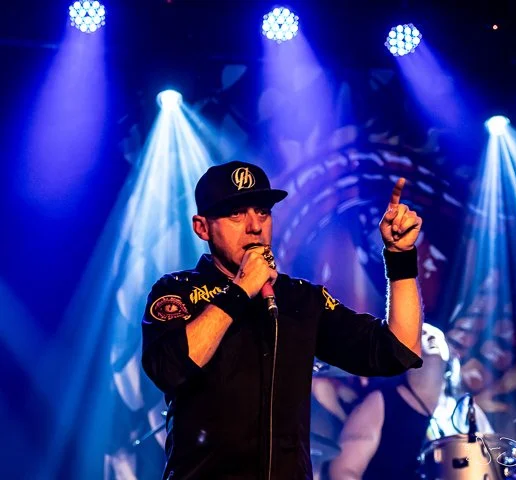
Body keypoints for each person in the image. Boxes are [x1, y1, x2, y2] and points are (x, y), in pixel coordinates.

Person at [141, 160, 425, 480]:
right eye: (236, 214)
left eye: (263, 212)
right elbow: (170, 368)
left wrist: (400, 257)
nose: (254, 226)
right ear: (202, 227)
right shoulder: (177, 290)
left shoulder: (299, 299)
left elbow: (399, 350)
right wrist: (239, 291)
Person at [329, 323, 493, 480]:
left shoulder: (467, 409)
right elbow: (344, 470)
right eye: (421, 334)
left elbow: (495, 463)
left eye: (437, 335)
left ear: (451, 354)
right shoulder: (381, 401)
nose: (430, 337)